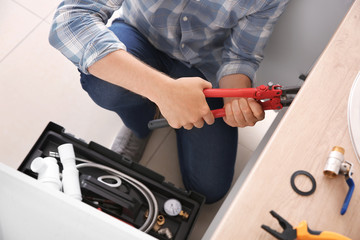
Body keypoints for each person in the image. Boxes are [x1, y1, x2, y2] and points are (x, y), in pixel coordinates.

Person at [49, 0, 289, 204]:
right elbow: (70, 20)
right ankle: (140, 125)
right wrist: (163, 91)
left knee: (209, 190)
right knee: (106, 86)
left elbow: (241, 55)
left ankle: (163, 109)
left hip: (203, 69)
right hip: (139, 37)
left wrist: (235, 99)